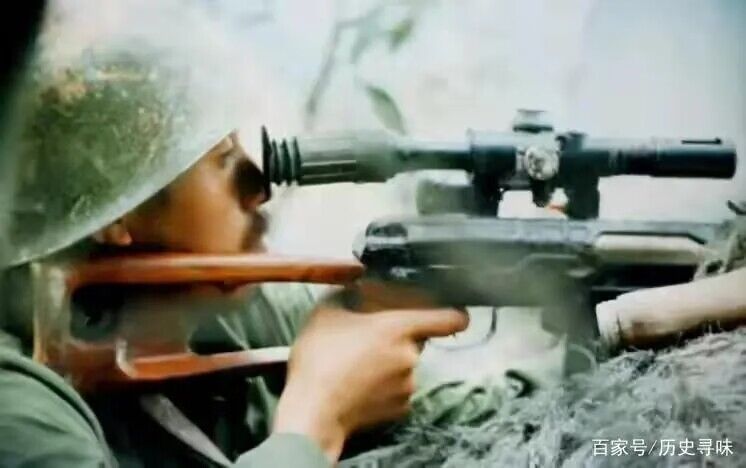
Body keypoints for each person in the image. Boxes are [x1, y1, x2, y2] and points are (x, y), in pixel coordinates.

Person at [0, 28, 467, 468]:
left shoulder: (228, 312)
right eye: (224, 158)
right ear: (116, 212)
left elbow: (457, 414)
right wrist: (315, 422)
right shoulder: (15, 409)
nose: (261, 189)